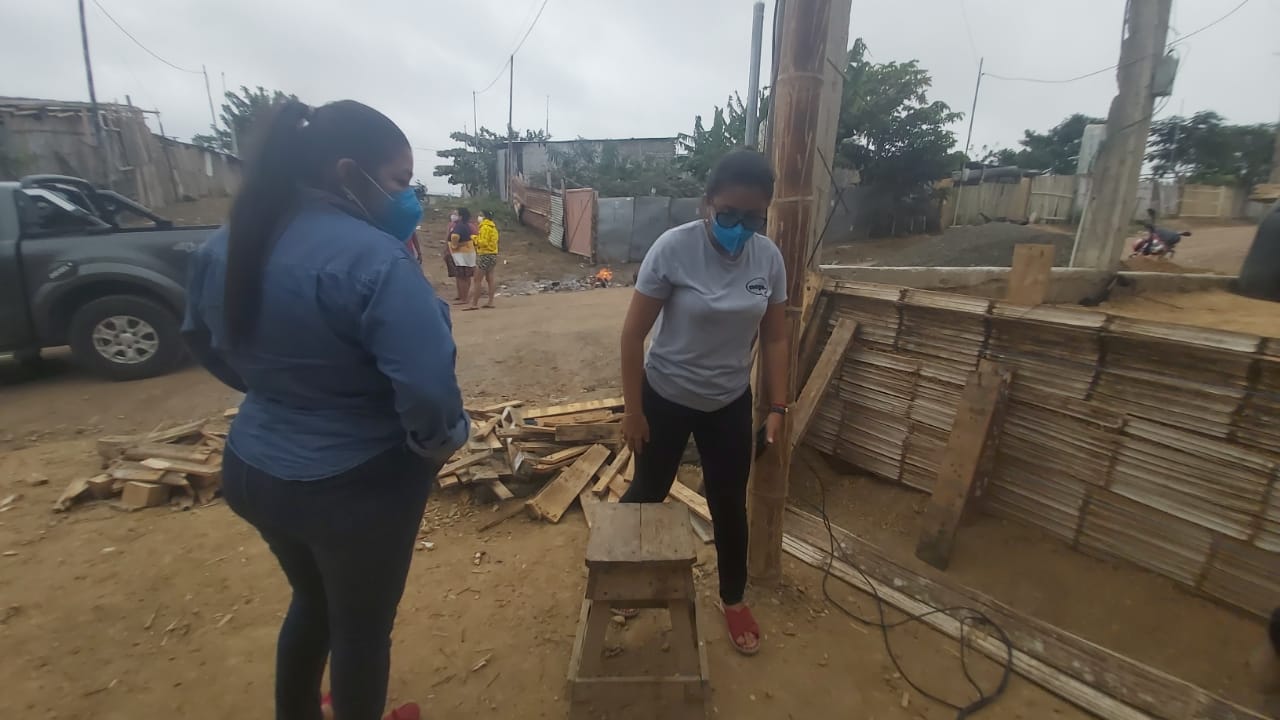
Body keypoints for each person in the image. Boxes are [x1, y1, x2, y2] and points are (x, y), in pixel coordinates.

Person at [182, 99, 468, 720]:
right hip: (352, 486)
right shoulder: (375, 260)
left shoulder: (229, 243)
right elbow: (427, 390)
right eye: (399, 181)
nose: (408, 197)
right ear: (347, 173)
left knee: (312, 602)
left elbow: (202, 340)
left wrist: (277, 394)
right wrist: (434, 448)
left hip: (253, 467)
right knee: (361, 632)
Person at [617, 148, 788, 656]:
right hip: (665, 396)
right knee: (649, 488)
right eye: (729, 214)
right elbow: (632, 336)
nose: (739, 228)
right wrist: (633, 411)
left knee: (728, 502)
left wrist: (778, 407)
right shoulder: (674, 249)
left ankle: (733, 599)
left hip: (728, 401)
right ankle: (620, 574)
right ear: (707, 203)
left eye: (753, 218)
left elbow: (775, 337)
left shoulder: (768, 258)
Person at [465, 211, 499, 310]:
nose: (478, 217)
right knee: (490, 278)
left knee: (477, 280)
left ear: (484, 217)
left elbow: (483, 242)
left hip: (484, 254)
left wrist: (473, 238)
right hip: (493, 254)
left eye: (480, 215)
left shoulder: (484, 228)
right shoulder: (493, 228)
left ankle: (474, 303)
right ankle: (490, 301)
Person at [448, 208, 478, 304]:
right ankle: (465, 297)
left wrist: (454, 245)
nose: (454, 216)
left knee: (461, 277)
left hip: (461, 254)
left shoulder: (459, 226)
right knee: (466, 276)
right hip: (468, 253)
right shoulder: (466, 225)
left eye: (456, 214)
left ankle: (463, 298)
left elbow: (455, 236)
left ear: (461, 216)